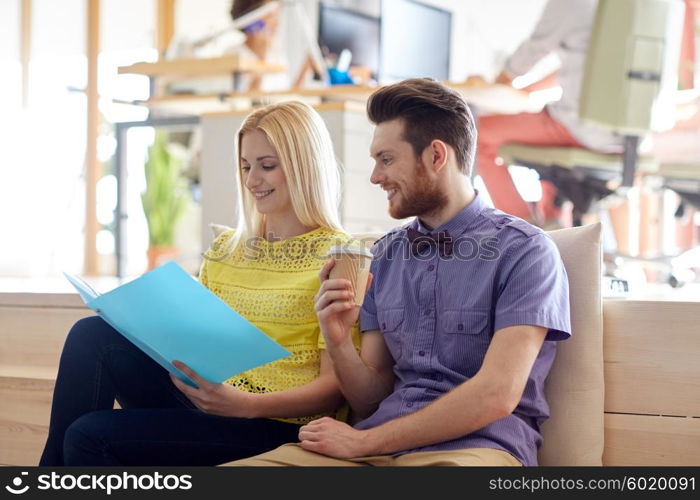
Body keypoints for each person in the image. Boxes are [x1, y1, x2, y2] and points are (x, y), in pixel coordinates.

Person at [228, 78, 572, 467]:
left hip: (474, 450)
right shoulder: (386, 255)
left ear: (436, 156)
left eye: (386, 159)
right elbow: (370, 399)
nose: (375, 176)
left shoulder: (525, 252)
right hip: (376, 449)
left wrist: (365, 442)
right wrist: (338, 341)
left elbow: (497, 394)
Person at [39, 101, 359, 466]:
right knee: (91, 334)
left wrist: (245, 405)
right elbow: (200, 339)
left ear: (304, 167)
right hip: (207, 399)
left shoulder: (341, 256)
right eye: (246, 166)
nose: (252, 180)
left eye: (267, 166)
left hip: (275, 422)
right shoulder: (226, 249)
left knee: (89, 434)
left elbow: (336, 388)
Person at [475, 0, 623, 225]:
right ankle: (555, 224)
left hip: (579, 130)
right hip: (627, 139)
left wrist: (501, 81)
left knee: (474, 133)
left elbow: (534, 50)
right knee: (548, 136)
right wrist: (526, 89)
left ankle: (520, 227)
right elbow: (587, 65)